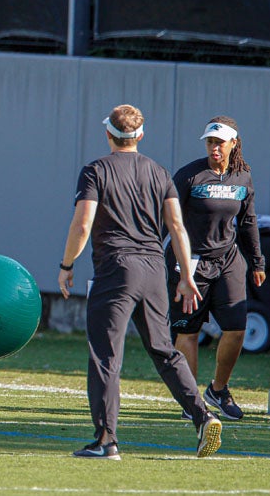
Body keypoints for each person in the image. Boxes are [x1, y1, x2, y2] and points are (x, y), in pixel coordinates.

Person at [58, 104, 222, 460]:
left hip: (117, 269)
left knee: (105, 355)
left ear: (108, 134)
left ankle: (106, 441)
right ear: (141, 136)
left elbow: (82, 224)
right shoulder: (159, 172)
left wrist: (66, 264)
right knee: (164, 350)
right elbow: (177, 227)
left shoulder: (95, 170)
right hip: (153, 269)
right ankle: (202, 415)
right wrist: (186, 277)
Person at [168, 116, 266, 421]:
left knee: (236, 329)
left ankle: (218, 390)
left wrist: (257, 262)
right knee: (188, 332)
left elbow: (248, 221)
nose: (214, 148)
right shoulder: (188, 176)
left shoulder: (243, 177)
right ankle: (192, 403)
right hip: (190, 262)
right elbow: (167, 221)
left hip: (228, 262)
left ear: (233, 143)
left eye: (220, 143)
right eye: (210, 142)